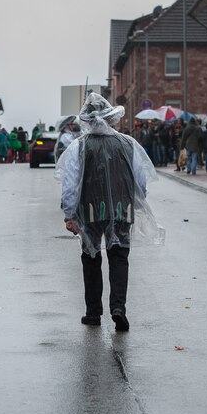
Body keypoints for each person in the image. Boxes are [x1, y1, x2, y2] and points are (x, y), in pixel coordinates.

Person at [56, 93, 162, 332]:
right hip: (121, 210)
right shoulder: (128, 143)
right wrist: (135, 202)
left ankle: (93, 313)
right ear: (110, 118)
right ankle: (118, 308)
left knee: (91, 258)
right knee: (119, 257)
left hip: (89, 211)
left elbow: (71, 183)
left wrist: (69, 214)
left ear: (87, 119)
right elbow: (140, 180)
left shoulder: (78, 146)